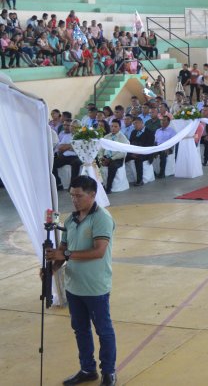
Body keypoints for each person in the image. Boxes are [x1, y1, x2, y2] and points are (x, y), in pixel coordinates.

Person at [44, 175, 117, 386]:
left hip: (95, 287)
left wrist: (64, 256)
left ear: (92, 195)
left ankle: (109, 372)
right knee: (80, 329)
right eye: (72, 195)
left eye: (79, 195)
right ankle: (87, 368)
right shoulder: (70, 219)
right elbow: (62, 250)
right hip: (74, 286)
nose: (74, 200)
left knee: (103, 330)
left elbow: (99, 251)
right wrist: (52, 268)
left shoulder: (102, 217)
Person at [98, 120, 128, 194]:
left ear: (120, 128)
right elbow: (101, 149)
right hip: (105, 157)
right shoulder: (106, 136)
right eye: (112, 126)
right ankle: (99, 186)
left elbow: (123, 153)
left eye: (115, 126)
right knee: (95, 163)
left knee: (112, 166)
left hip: (117, 158)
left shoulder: (122, 138)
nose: (113, 128)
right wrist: (101, 158)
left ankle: (108, 187)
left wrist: (111, 159)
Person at [52, 120, 82, 190]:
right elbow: (60, 147)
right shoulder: (67, 136)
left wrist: (67, 147)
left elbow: (79, 149)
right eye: (71, 126)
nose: (71, 128)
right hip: (65, 156)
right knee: (52, 163)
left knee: (76, 163)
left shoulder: (81, 136)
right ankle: (58, 183)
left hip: (76, 157)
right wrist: (71, 146)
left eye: (74, 127)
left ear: (79, 128)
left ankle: (72, 186)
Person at [125, 117, 154, 186]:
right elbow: (131, 143)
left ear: (141, 123)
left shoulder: (149, 132)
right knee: (124, 157)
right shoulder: (133, 132)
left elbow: (149, 145)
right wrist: (132, 153)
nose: (134, 126)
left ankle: (139, 180)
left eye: (136, 123)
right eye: (133, 124)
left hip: (145, 153)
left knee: (138, 159)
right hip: (134, 152)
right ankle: (126, 179)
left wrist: (139, 152)